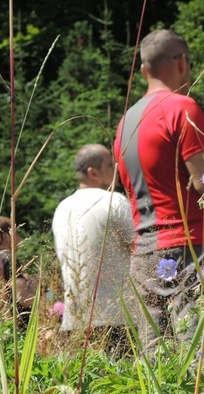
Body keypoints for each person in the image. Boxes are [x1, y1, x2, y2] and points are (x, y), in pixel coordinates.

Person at [113, 29, 204, 345]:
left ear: (144, 71)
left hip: (143, 251)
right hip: (190, 249)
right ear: (182, 63)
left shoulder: (125, 122)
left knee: (155, 353)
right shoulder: (184, 108)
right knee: (202, 350)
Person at [52, 144, 136, 354]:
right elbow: (138, 248)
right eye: (110, 165)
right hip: (116, 319)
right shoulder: (113, 200)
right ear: (93, 172)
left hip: (74, 321)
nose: (117, 170)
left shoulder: (62, 208)